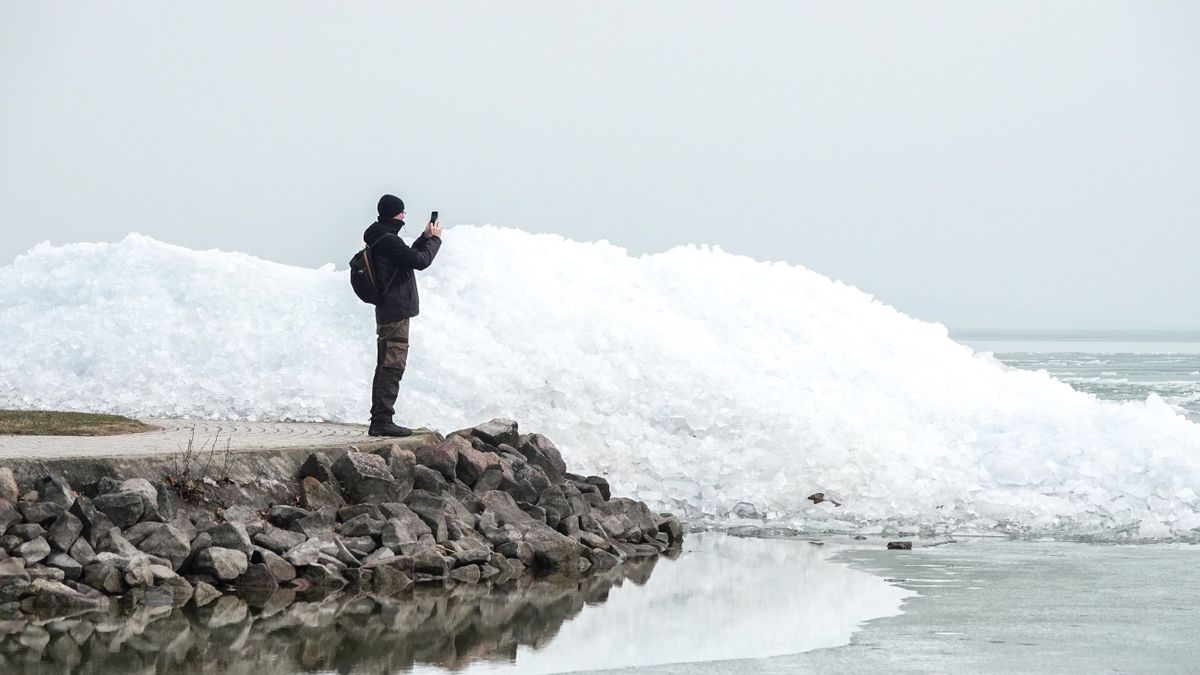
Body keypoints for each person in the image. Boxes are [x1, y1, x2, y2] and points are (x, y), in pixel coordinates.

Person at [362, 193, 442, 436]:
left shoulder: (382, 238)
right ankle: (382, 421)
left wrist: (423, 237)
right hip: (395, 310)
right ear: (398, 214)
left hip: (389, 309)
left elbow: (406, 259)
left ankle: (380, 419)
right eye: (403, 212)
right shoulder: (388, 240)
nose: (405, 216)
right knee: (392, 365)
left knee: (386, 363)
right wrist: (435, 241)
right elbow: (420, 261)